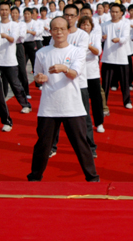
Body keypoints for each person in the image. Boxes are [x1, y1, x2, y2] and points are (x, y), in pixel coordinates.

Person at [27, 17, 99, 182]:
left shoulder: (76, 52)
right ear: (50, 31)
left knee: (81, 145)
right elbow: (37, 76)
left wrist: (64, 68)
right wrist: (39, 78)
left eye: (62, 29)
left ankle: (93, 178)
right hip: (49, 106)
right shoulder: (42, 53)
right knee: (43, 145)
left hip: (71, 105)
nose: (58, 32)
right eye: (55, 29)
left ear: (68, 31)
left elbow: (75, 74)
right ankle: (34, 177)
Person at [0, 2, 32, 114]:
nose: (4, 12)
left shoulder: (14, 25)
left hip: (9, 60)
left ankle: (25, 104)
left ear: (9, 11)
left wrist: (4, 35)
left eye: (6, 10)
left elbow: (13, 39)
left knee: (15, 84)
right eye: (2, 9)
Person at [100, 3, 132, 109]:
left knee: (124, 81)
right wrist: (103, 38)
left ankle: (127, 101)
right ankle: (104, 102)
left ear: (121, 13)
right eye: (112, 11)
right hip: (108, 56)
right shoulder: (104, 25)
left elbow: (125, 38)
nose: (114, 14)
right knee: (105, 82)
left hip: (121, 56)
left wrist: (119, 39)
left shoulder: (124, 24)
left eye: (116, 12)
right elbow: (99, 38)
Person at [78, 15, 105, 133]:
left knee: (96, 99)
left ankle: (99, 122)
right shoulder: (75, 37)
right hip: (78, 73)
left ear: (91, 27)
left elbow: (97, 52)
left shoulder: (94, 36)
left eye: (87, 25)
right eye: (83, 24)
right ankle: (82, 123)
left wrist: (87, 45)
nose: (85, 27)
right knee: (80, 100)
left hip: (92, 73)